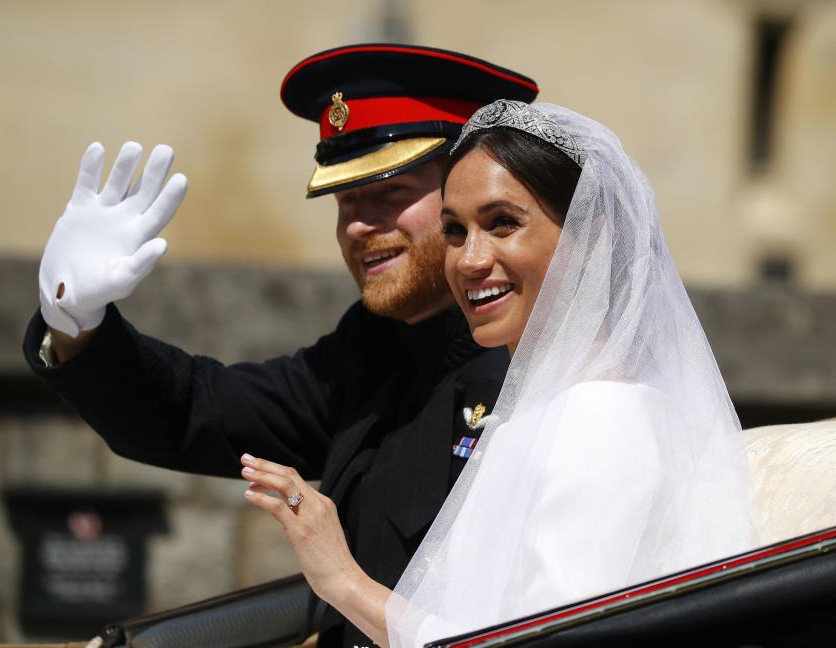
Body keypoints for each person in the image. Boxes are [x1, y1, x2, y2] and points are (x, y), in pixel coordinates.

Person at [22, 45, 539, 647]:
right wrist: (76, 318)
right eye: (345, 200)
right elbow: (198, 409)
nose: (358, 225)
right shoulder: (373, 347)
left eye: (390, 193)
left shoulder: (540, 362)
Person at [239, 99, 761, 647]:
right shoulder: (539, 408)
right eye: (456, 231)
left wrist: (343, 581)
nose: (468, 260)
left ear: (592, 238)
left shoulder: (602, 416)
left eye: (503, 224)